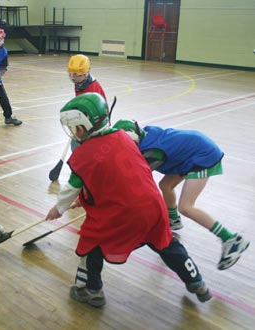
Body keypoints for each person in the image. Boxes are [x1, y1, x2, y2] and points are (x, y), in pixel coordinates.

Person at [45, 92, 211, 307]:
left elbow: (71, 188)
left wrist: (58, 208)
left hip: (124, 215)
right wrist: (85, 197)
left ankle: (91, 290)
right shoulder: (124, 137)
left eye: (73, 127)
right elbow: (114, 179)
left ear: (82, 126)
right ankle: (197, 282)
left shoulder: (83, 156)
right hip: (153, 207)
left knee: (91, 242)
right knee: (166, 243)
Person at [112, 119, 250, 270]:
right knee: (165, 185)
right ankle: (173, 219)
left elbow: (136, 177)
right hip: (190, 152)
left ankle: (231, 239)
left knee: (186, 207)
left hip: (202, 155)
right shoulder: (143, 136)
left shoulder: (153, 152)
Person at [68, 54, 108, 150]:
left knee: (77, 146)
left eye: (76, 75)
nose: (73, 78)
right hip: (84, 123)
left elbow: (98, 113)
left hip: (96, 125)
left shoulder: (92, 89)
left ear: (85, 74)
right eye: (71, 74)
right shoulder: (80, 83)